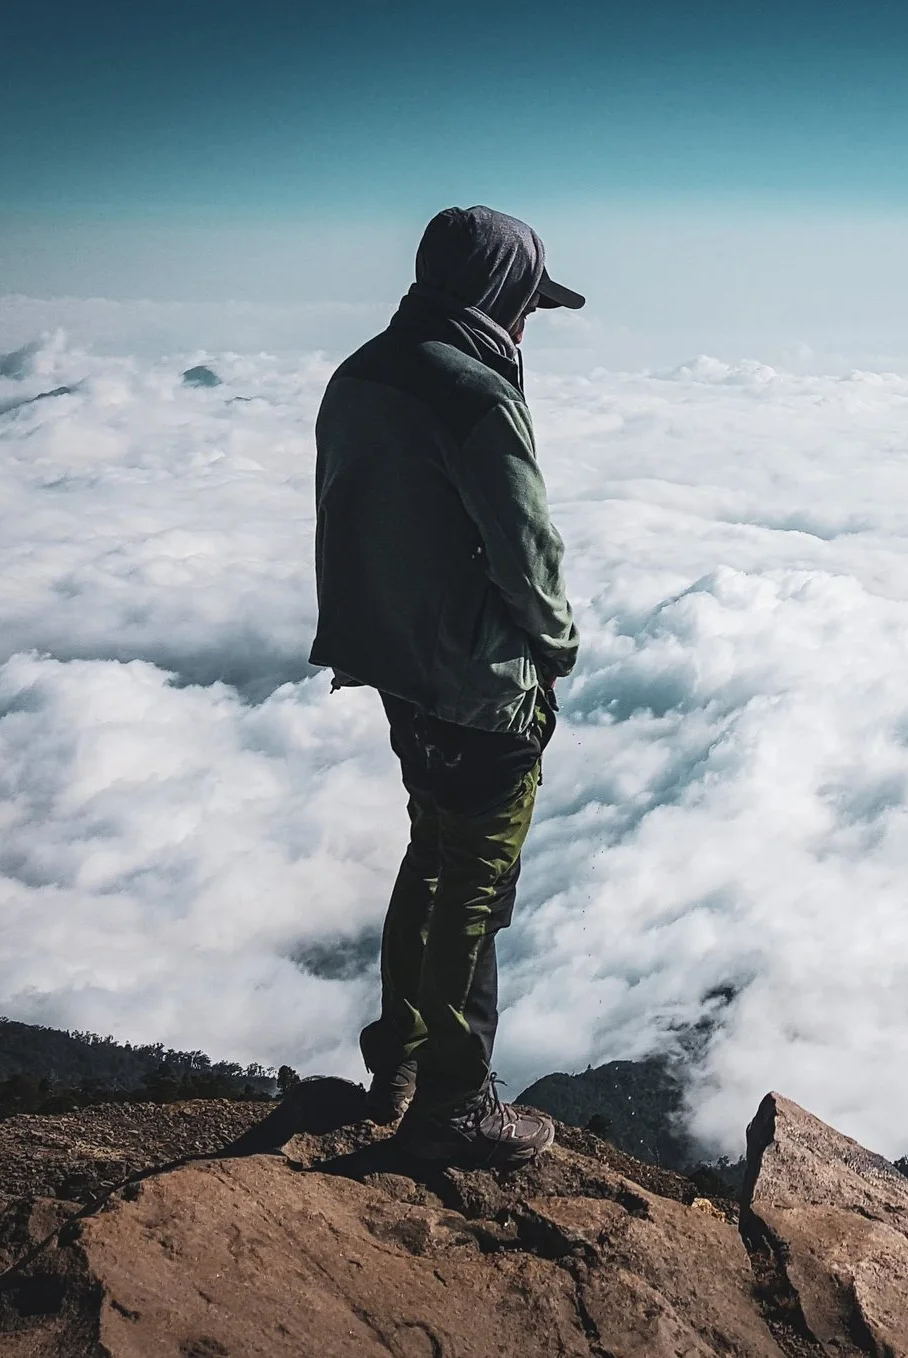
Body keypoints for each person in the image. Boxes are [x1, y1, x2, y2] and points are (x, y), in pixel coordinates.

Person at [309, 205, 586, 1168]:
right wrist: (557, 646)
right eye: (527, 306)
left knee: (429, 855)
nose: (526, 325)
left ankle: (398, 1062)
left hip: (395, 667)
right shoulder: (476, 394)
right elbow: (525, 548)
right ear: (499, 293)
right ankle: (455, 1107)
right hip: (478, 682)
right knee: (476, 885)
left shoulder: (360, 373)